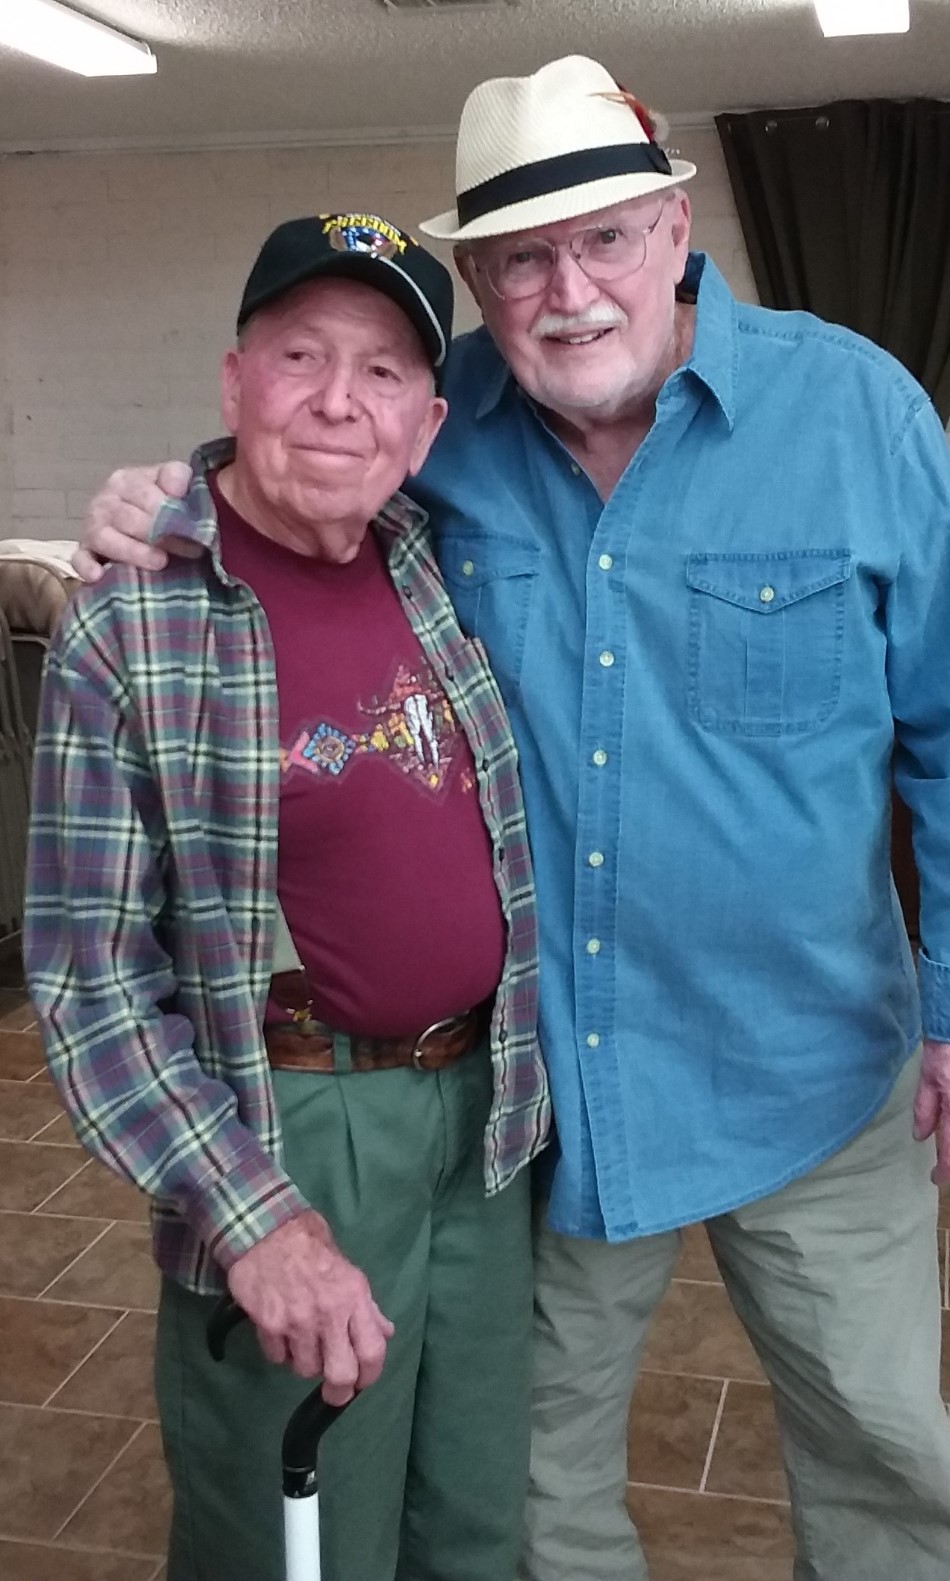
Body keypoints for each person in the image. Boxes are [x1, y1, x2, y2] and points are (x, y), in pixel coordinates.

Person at [73, 56, 950, 1581]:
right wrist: (165, 503)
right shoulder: (444, 429)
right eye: (521, 258)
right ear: (478, 283)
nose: (570, 290)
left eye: (604, 237)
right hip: (555, 1092)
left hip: (812, 1065)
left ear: (676, 231)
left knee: (881, 1451)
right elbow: (297, 472)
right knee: (533, 1487)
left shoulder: (854, 409)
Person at [24, 211, 549, 1581]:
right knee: (296, 1547)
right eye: (300, 355)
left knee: (474, 1529)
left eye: (382, 371)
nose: (337, 400)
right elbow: (88, 981)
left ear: (427, 424)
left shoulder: (434, 563)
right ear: (234, 382)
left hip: (482, 1117)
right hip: (297, 1123)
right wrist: (253, 1215)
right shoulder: (131, 621)